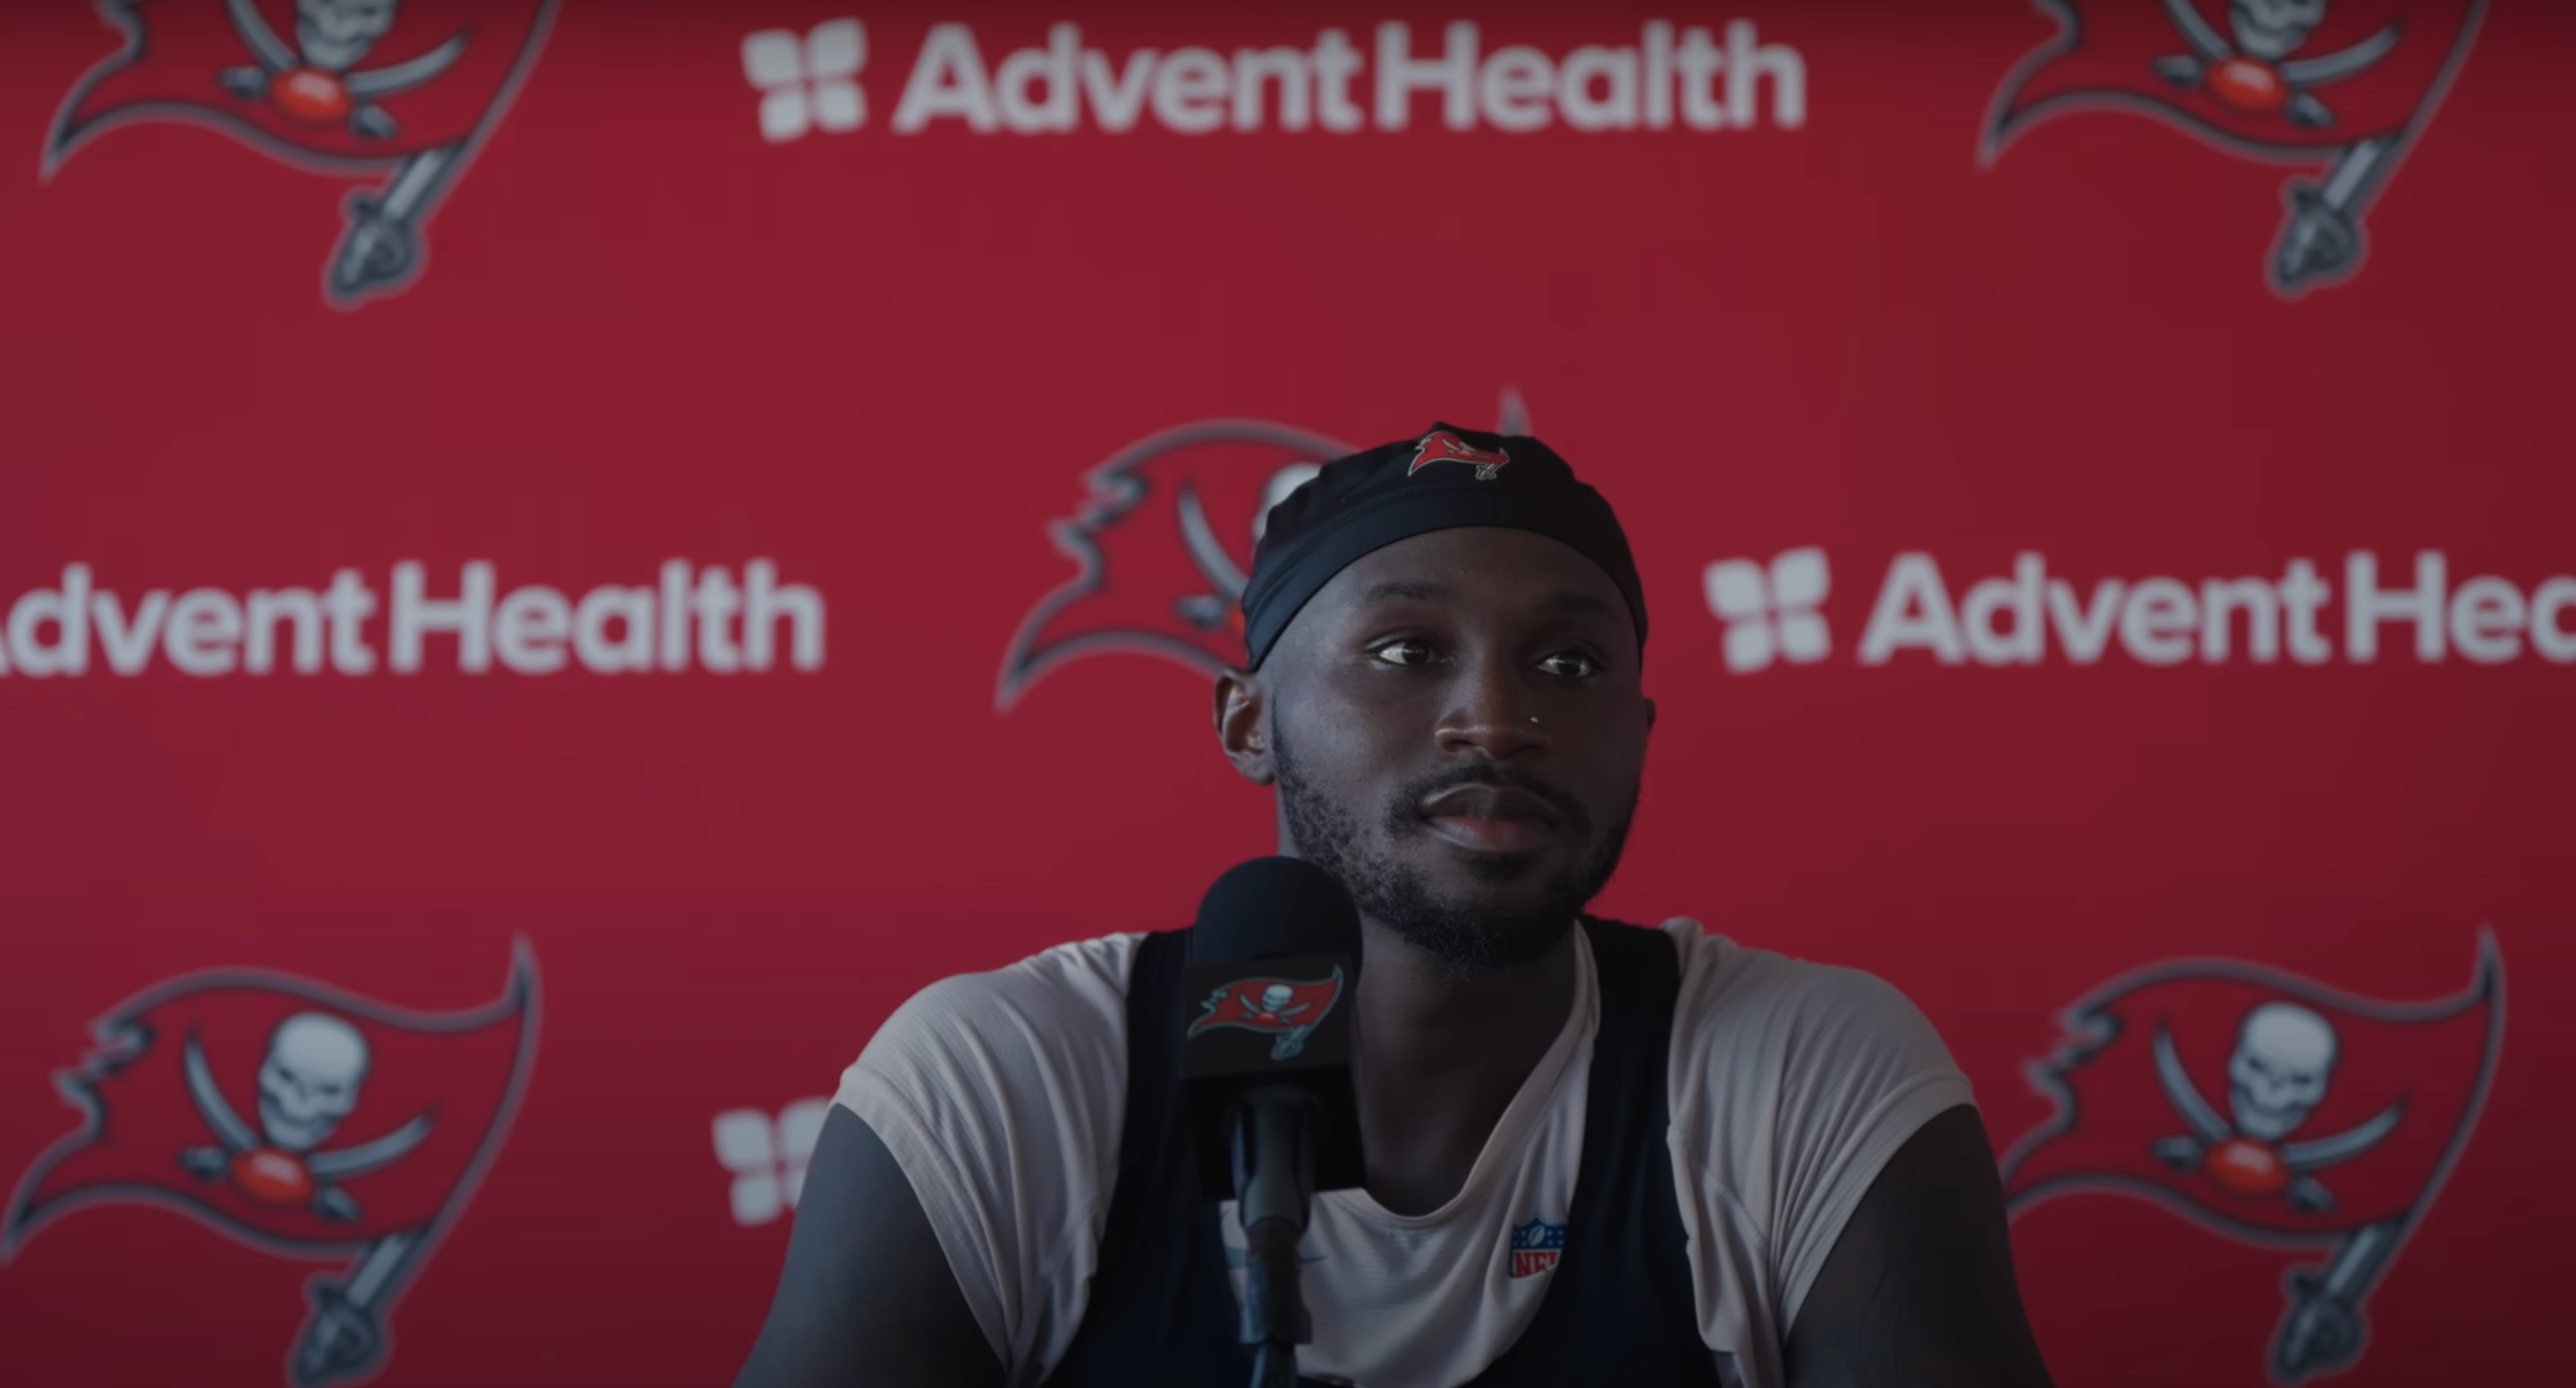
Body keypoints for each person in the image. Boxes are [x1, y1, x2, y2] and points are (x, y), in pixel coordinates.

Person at [735, 426, 2055, 1387]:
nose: (1500, 715)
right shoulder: (1007, 1079)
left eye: (1571, 662)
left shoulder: (1806, 1068)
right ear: (1248, 720)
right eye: (1408, 651)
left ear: (1641, 733)